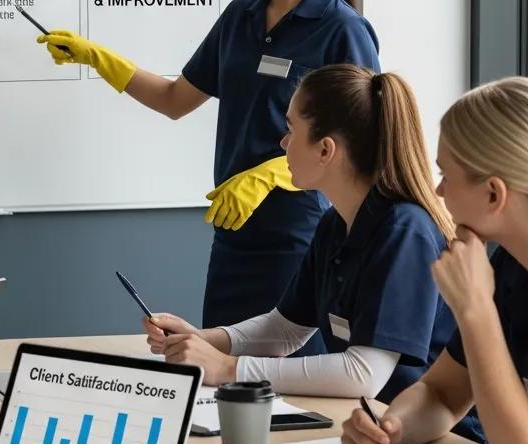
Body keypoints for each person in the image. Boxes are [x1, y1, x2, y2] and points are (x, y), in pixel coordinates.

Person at [38, 0, 380, 331]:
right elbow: (174, 98)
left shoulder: (342, 29)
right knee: (219, 377)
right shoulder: (240, 18)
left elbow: (363, 144)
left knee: (286, 388)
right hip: (232, 237)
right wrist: (96, 57)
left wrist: (269, 175)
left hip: (298, 241)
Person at [341, 77, 528, 444]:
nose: (439, 191)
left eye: (446, 175)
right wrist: (390, 427)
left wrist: (475, 308)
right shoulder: (510, 263)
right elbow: (443, 392)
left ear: (494, 194)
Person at [144, 65, 456, 404]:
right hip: (375, 426)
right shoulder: (334, 224)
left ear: (325, 150)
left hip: (440, 442)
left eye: (291, 130)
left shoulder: (405, 233)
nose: (283, 143)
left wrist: (229, 368)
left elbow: (363, 375)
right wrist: (202, 340)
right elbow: (284, 330)